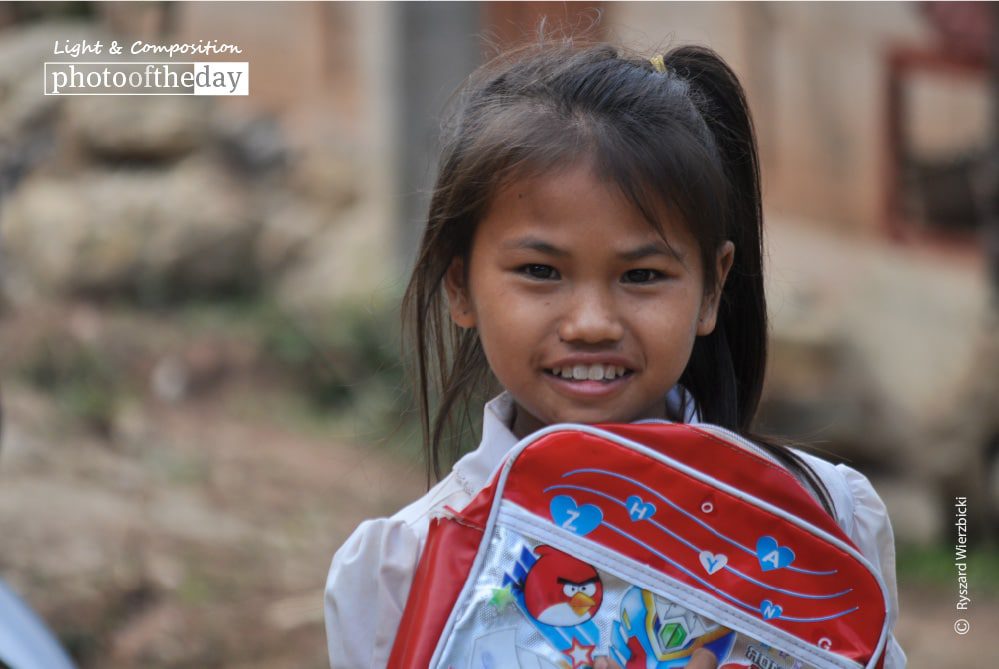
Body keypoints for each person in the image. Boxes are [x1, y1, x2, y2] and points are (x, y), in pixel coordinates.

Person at [324, 38, 906, 669]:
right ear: (460, 286)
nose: (592, 324)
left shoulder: (824, 520)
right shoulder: (402, 569)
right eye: (541, 271)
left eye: (642, 276)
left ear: (712, 287)